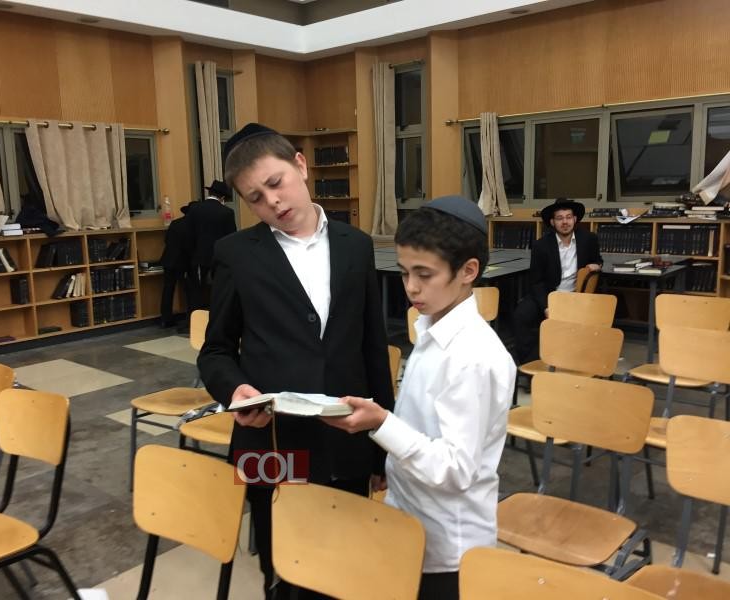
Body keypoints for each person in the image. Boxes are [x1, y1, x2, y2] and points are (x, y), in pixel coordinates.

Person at [197, 123, 395, 600]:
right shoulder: (235, 255)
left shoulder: (356, 244)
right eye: (256, 198)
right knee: (284, 562)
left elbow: (373, 346)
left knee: (344, 558)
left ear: (300, 166)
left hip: (347, 434)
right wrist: (235, 390)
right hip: (271, 439)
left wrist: (381, 446)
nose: (273, 202)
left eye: (276, 182)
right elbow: (216, 349)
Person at [324, 196, 516, 600]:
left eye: (424, 274)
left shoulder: (473, 356)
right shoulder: (431, 328)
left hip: (448, 545)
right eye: (404, 272)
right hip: (410, 520)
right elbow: (420, 426)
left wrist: (381, 424)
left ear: (468, 271)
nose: (411, 287)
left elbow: (456, 470)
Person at [512, 197, 602, 364]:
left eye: (568, 217)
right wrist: (546, 306)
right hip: (549, 293)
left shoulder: (589, 239)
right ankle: (529, 365)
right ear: (553, 222)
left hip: (576, 296)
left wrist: (597, 265)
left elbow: (597, 260)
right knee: (522, 315)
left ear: (575, 219)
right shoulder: (541, 245)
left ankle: (575, 360)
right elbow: (536, 281)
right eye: (560, 218)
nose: (565, 222)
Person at [183, 179, 237, 311]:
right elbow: (231, 237)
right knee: (219, 288)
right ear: (222, 197)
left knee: (198, 289)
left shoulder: (195, 209)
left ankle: (197, 316)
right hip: (220, 257)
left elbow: (188, 234)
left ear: (209, 193)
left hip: (198, 257)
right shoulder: (227, 212)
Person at [159, 205, 196, 327]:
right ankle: (191, 318)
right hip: (183, 262)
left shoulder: (175, 223)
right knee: (189, 290)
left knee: (168, 289)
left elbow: (166, 240)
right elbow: (190, 246)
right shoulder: (193, 225)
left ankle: (166, 319)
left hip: (168, 260)